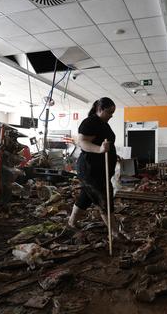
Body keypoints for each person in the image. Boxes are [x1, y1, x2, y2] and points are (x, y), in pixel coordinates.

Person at [68, 97, 118, 235]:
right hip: (90, 169)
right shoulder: (90, 122)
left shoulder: (103, 123)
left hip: (100, 169)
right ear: (99, 109)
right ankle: (115, 233)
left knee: (86, 196)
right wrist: (100, 150)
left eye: (112, 113)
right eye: (109, 112)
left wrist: (113, 154)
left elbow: (105, 143)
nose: (111, 116)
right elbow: (82, 142)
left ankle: (71, 223)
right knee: (105, 199)